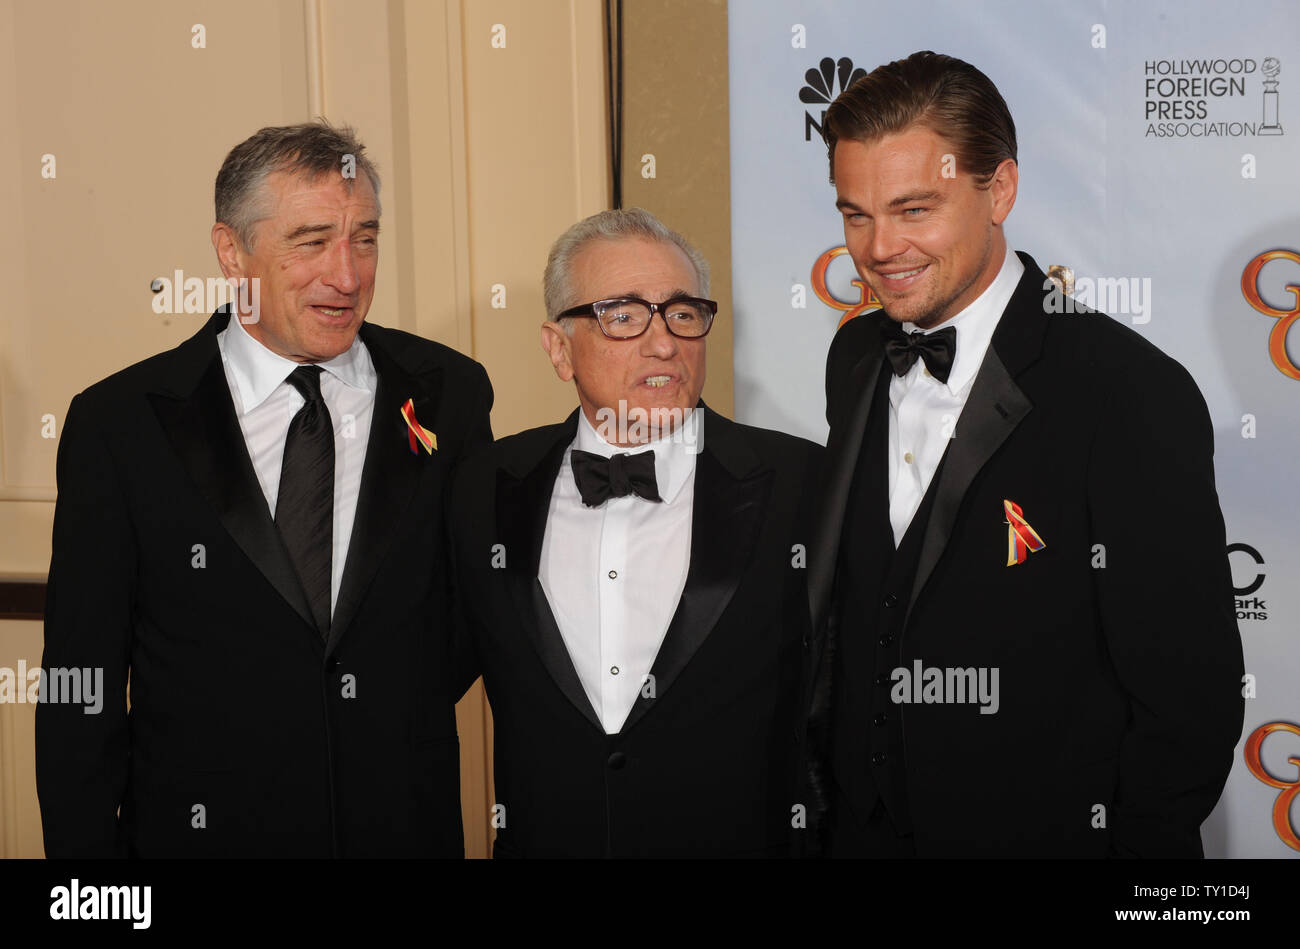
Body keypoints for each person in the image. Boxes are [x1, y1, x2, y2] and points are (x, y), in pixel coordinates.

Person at [804, 51, 1244, 857]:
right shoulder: (856, 357)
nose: (879, 246)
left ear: (999, 189)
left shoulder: (1127, 391)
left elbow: (1188, 704)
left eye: (913, 208)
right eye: (855, 213)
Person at [36, 121, 493, 857]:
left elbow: (472, 620)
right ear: (231, 251)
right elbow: (79, 687)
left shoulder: (451, 396)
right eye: (312, 242)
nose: (347, 276)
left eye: (366, 239)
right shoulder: (120, 423)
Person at [449, 208, 823, 857]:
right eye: (623, 315)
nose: (663, 343)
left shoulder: (805, 486)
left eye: (682, 312)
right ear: (558, 347)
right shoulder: (481, 488)